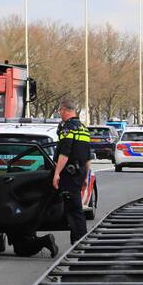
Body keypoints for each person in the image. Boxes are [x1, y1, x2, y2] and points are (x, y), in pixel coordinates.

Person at [53, 96, 91, 243]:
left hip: (69, 174)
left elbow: (64, 153)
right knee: (75, 208)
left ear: (64, 110)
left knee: (74, 210)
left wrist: (56, 173)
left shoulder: (67, 129)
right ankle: (78, 240)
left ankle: (80, 242)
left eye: (60, 111)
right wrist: (86, 177)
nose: (60, 114)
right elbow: (87, 157)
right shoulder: (84, 129)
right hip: (79, 173)